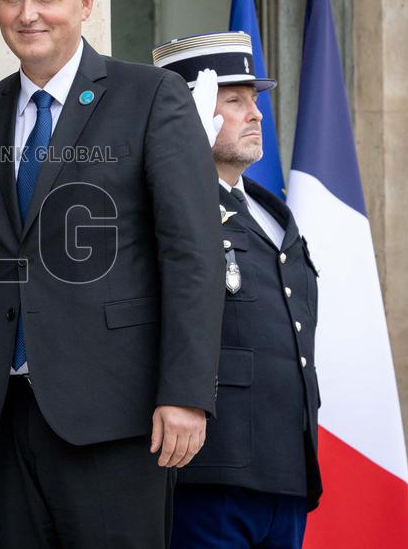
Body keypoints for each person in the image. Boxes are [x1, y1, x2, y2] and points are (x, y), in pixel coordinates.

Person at [0, 0, 225, 547]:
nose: (27, 14)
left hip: (119, 415)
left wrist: (186, 393)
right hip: (8, 413)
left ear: (85, 1)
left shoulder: (151, 96)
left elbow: (192, 255)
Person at [152, 32, 322, 548]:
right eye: (234, 100)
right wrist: (181, 155)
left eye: (255, 100)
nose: (256, 114)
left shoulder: (271, 212)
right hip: (211, 472)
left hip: (286, 472)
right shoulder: (166, 205)